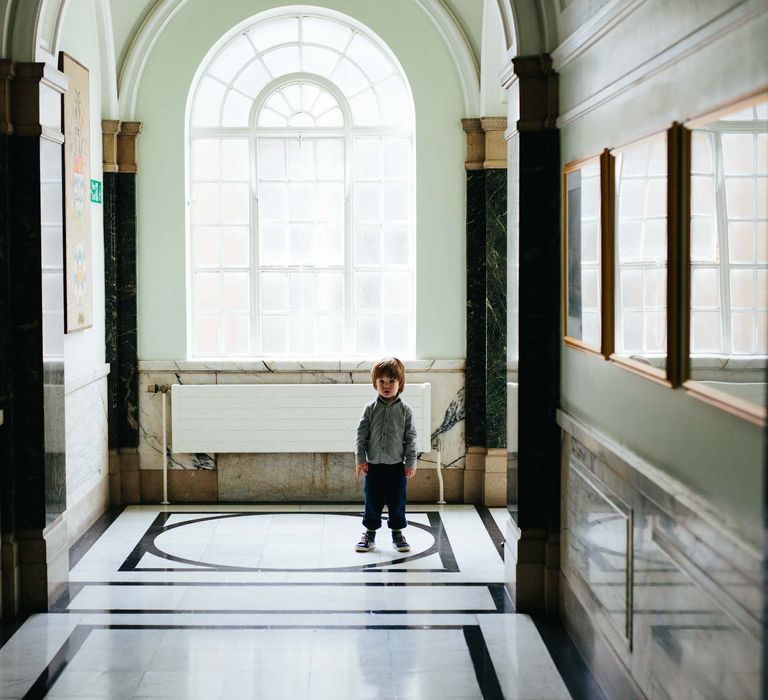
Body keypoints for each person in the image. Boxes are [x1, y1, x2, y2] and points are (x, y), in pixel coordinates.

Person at [354, 357, 417, 553]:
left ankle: (397, 534)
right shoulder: (370, 409)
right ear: (375, 384)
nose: (386, 386)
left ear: (400, 384)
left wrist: (411, 463)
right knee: (372, 501)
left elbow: (411, 438)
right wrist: (360, 459)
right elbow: (361, 436)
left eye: (391, 381)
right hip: (373, 467)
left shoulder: (405, 411)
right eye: (381, 381)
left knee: (396, 501)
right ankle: (369, 534)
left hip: (396, 467)